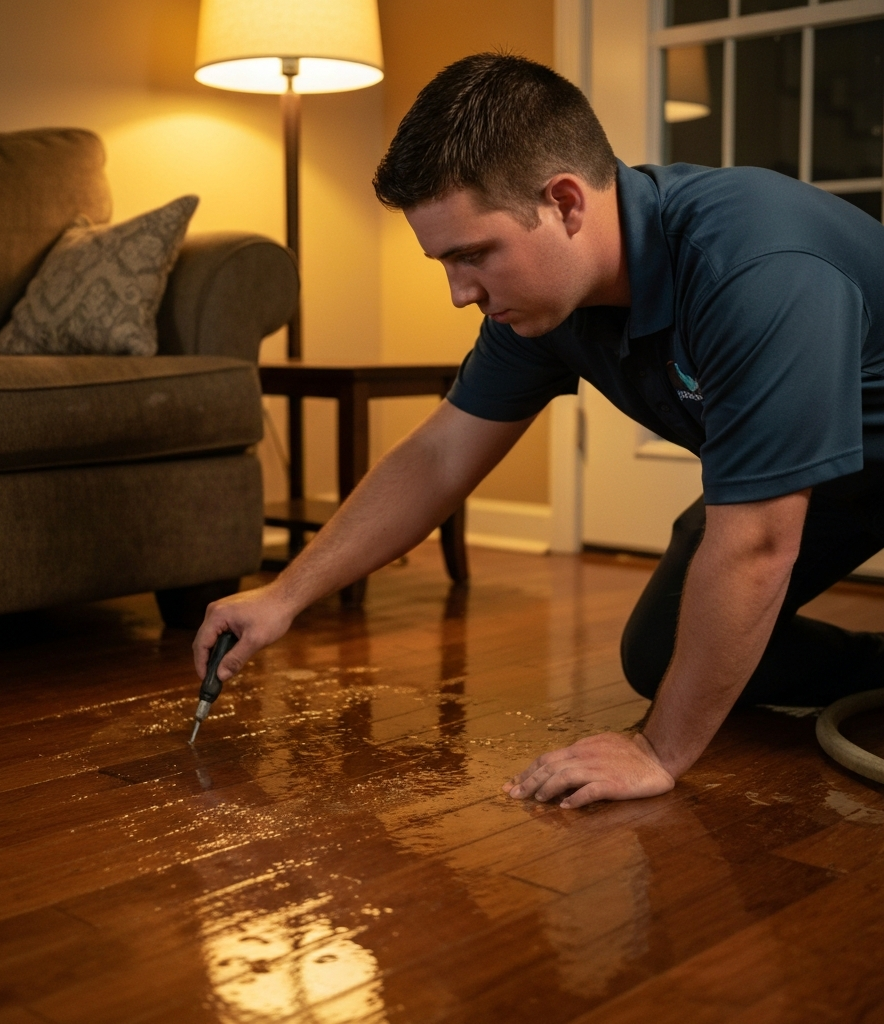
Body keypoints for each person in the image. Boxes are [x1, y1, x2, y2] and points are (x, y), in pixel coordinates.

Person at [195, 53, 884, 809]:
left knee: (724, 602)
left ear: (564, 203)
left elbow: (757, 541)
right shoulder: (545, 308)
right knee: (661, 655)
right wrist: (285, 595)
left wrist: (658, 750)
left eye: (472, 255)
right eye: (443, 263)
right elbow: (439, 453)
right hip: (830, 473)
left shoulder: (753, 266)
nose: (461, 294)